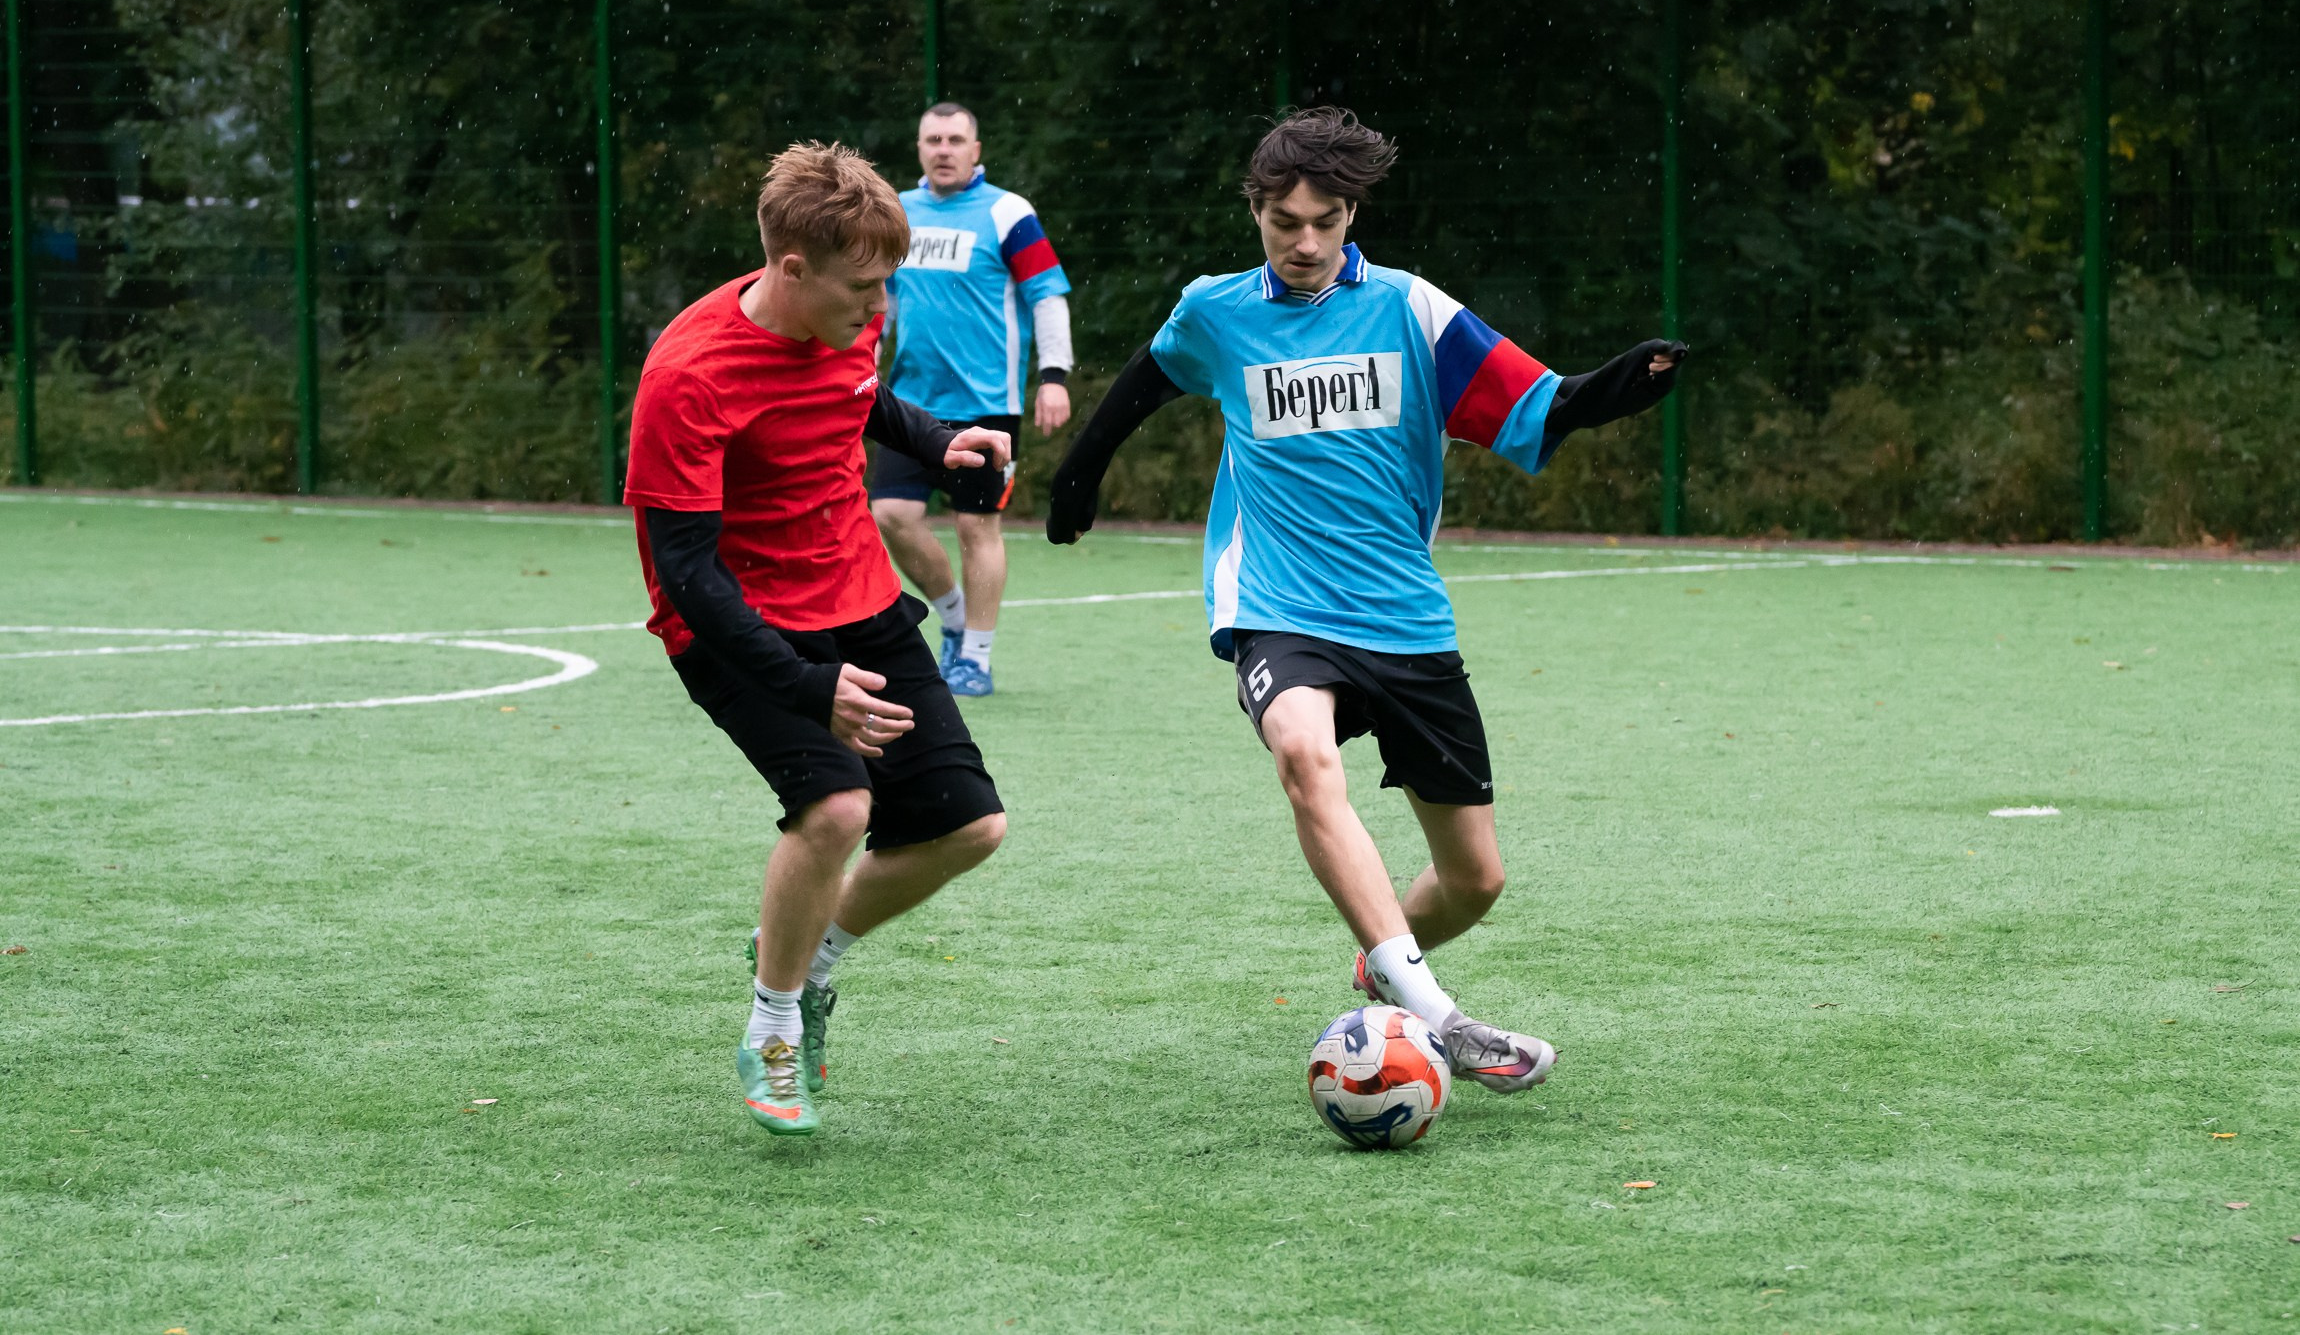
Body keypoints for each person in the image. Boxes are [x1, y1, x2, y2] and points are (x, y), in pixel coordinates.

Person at [1044, 108, 1686, 1097]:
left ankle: (1381, 961)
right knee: (1302, 751)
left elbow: (1532, 401)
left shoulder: (1408, 310)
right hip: (1278, 605)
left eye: (1326, 221)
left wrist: (1611, 389)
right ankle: (1441, 1020)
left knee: (1475, 880)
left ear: (1352, 214)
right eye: (1284, 222)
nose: (1305, 243)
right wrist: (1079, 474)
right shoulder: (1216, 312)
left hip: (1402, 619)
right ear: (1255, 210)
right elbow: (1147, 379)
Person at [623, 141, 1015, 1138]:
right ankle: (771, 1025)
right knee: (837, 808)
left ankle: (805, 961)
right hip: (733, 622)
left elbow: (854, 398)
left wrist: (935, 442)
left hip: (855, 593)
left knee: (968, 827)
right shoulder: (687, 374)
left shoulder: (844, 314)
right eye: (864, 290)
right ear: (788, 270)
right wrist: (807, 687)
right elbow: (688, 574)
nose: (879, 312)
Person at [869, 101, 1075, 697]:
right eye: (932, 139)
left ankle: (975, 660)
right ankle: (954, 617)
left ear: (975, 150)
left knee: (975, 526)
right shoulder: (898, 213)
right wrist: (865, 360)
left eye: (955, 139)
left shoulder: (1009, 213)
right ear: (919, 149)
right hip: (908, 403)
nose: (943, 149)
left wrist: (1055, 374)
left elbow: (1046, 296)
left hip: (987, 405)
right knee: (892, 517)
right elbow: (881, 299)